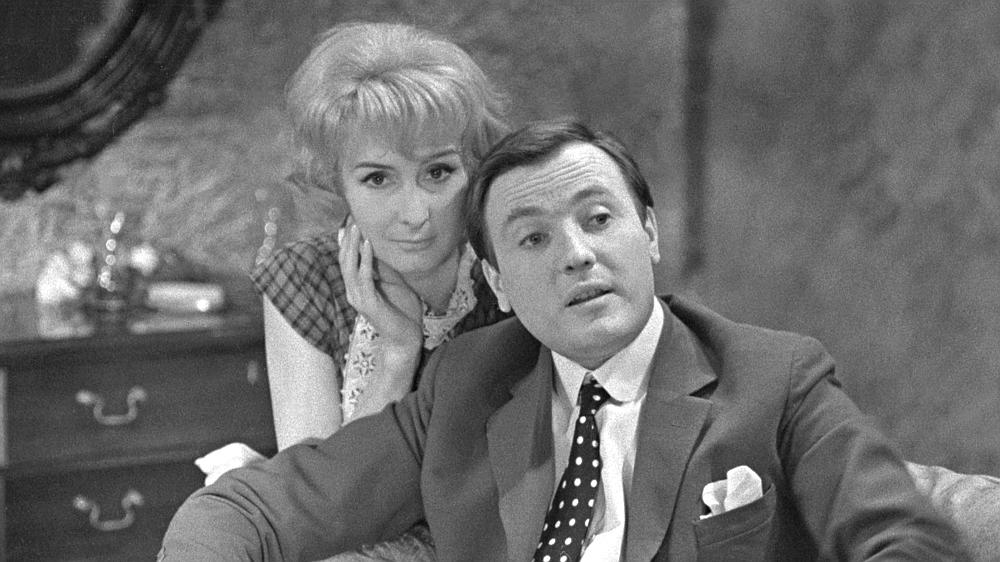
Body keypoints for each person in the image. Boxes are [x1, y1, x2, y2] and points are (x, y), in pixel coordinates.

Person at [161, 119, 969, 561]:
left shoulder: (773, 376)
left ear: (649, 233)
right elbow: (254, 506)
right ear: (499, 281)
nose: (577, 253)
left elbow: (910, 540)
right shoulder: (468, 385)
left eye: (598, 218)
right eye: (534, 238)